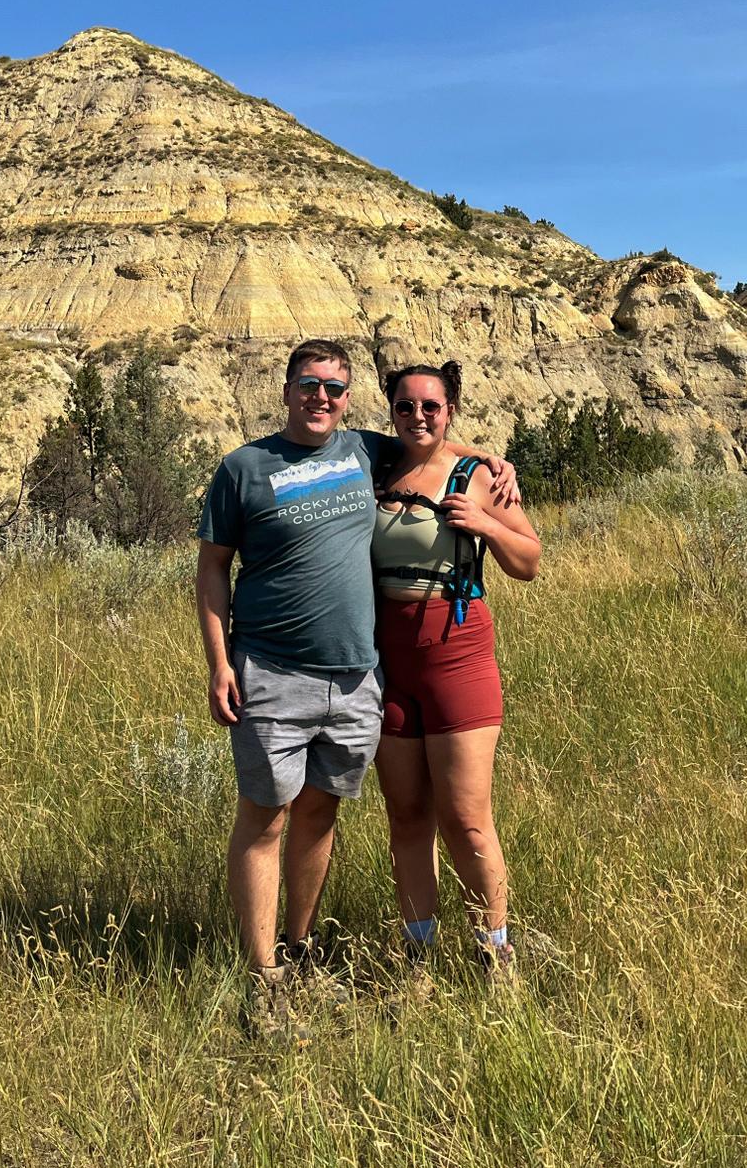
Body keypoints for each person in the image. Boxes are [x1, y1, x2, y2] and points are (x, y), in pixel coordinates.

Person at [194, 338, 514, 1021]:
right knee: (268, 818)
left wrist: (494, 465)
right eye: (309, 385)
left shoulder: (366, 450)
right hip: (273, 671)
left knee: (327, 813)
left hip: (362, 675)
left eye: (335, 389)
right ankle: (266, 977)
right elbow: (213, 567)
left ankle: (305, 950)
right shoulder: (248, 468)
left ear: (347, 400)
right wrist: (219, 663)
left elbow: (437, 444)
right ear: (286, 389)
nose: (321, 398)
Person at [371, 360, 540, 980]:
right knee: (407, 816)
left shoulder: (475, 479)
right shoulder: (376, 468)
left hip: (456, 650)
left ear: (451, 411)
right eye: (406, 406)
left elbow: (529, 561)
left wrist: (488, 522)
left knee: (466, 816)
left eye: (432, 407)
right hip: (389, 657)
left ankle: (495, 952)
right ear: (390, 412)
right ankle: (416, 957)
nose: (418, 416)